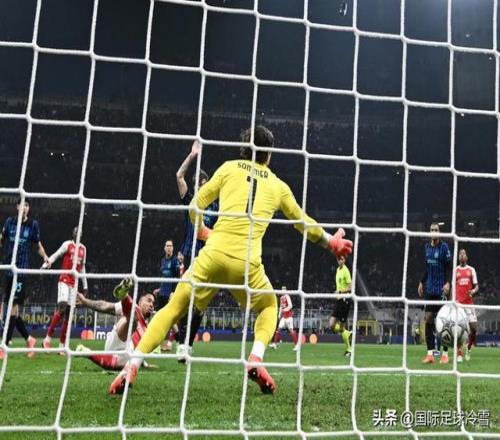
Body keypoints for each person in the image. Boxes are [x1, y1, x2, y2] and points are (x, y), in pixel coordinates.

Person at [109, 126, 353, 395]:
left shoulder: (228, 168)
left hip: (213, 254)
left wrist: (202, 230)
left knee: (173, 308)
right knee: (269, 306)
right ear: (269, 153)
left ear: (244, 148)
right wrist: (331, 242)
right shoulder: (278, 185)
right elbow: (302, 222)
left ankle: (132, 365)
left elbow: (194, 206)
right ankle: (255, 358)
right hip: (247, 266)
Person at [175, 140, 219, 359]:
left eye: (205, 183)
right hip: (190, 255)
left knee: (201, 304)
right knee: (184, 299)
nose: (203, 187)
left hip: (208, 257)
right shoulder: (191, 201)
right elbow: (179, 176)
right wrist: (192, 156)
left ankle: (187, 344)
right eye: (200, 184)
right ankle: (179, 340)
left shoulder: (216, 207)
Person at [0, 199, 50, 359]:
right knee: (11, 311)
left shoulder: (32, 225)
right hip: (8, 271)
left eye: (27, 205)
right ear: (17, 206)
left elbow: (38, 245)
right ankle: (29, 339)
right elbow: (2, 239)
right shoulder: (10, 222)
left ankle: (4, 346)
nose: (25, 208)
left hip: (21, 273)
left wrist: (45, 257)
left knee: (12, 309)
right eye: (22, 204)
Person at [76, 278, 155, 370]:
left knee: (129, 362)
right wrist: (85, 302)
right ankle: (124, 296)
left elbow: (140, 351)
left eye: (153, 303)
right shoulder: (134, 308)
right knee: (132, 320)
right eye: (149, 300)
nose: (151, 305)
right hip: (118, 340)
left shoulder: (146, 330)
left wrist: (144, 363)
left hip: (125, 354)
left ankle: (85, 352)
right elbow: (106, 306)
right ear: (140, 302)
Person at [42, 227, 88, 352]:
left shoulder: (83, 249)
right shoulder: (67, 245)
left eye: (79, 232)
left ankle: (61, 346)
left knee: (69, 314)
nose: (77, 234)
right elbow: (57, 254)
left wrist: (85, 285)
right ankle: (47, 340)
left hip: (74, 284)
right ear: (73, 234)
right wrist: (47, 264)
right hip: (64, 280)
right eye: (76, 232)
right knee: (62, 307)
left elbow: (82, 268)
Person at [418, 222, 451, 364]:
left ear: (439, 232)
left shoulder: (444, 247)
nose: (434, 232)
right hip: (430, 289)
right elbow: (428, 268)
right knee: (428, 319)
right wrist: (421, 281)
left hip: (442, 289)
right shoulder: (426, 247)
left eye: (436, 230)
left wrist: (448, 283)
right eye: (431, 230)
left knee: (444, 322)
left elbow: (449, 267)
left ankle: (445, 354)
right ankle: (430, 354)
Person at [153, 239, 181, 351]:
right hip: (162, 294)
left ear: (172, 248)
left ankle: (178, 343)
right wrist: (159, 289)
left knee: (170, 320)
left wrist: (173, 292)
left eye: (171, 246)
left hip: (170, 295)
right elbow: (164, 278)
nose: (169, 247)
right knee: (160, 318)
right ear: (164, 248)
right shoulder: (162, 261)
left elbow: (177, 278)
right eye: (167, 246)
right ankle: (159, 345)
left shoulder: (175, 261)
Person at [455, 248, 479, 362]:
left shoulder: (471, 270)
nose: (462, 255)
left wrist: (473, 291)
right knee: (458, 329)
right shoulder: (455, 270)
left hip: (469, 304)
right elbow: (453, 287)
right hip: (458, 304)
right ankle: (459, 353)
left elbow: (476, 286)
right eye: (460, 254)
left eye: (463, 254)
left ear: (466, 257)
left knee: (474, 329)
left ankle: (468, 348)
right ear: (458, 257)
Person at [329, 255, 353, 357]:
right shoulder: (338, 270)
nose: (340, 261)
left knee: (341, 327)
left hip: (345, 301)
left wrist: (340, 291)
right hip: (339, 300)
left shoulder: (346, 271)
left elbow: (350, 287)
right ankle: (347, 333)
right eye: (338, 259)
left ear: (344, 260)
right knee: (331, 324)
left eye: (342, 259)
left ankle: (349, 350)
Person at [269, 286, 299, 351]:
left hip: (289, 317)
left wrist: (285, 310)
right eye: (282, 290)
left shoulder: (287, 296)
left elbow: (290, 305)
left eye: (284, 290)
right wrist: (279, 315)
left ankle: (297, 345)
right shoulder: (281, 298)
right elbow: (281, 307)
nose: (283, 291)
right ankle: (275, 343)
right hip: (284, 317)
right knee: (278, 329)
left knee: (291, 331)